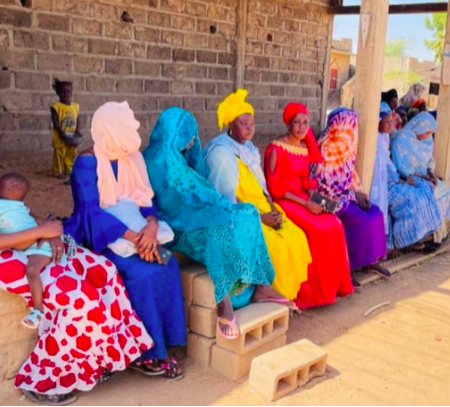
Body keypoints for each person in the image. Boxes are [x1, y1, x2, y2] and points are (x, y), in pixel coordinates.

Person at [0, 99, 151, 406]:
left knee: (102, 269)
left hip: (21, 238)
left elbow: (13, 210)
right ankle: (43, 380)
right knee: (76, 294)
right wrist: (38, 233)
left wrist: (48, 228)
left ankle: (97, 360)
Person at [64, 101, 186, 379]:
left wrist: (151, 229)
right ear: (110, 128)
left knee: (169, 265)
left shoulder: (132, 157)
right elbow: (90, 213)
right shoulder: (86, 163)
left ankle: (164, 341)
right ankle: (147, 354)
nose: (132, 130)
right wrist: (137, 239)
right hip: (97, 237)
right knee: (141, 275)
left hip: (137, 232)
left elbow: (145, 200)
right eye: (125, 125)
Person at [143, 107, 278, 339]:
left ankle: (261, 285)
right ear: (175, 132)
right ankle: (223, 301)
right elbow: (186, 200)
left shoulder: (180, 155)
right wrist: (218, 209)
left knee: (248, 212)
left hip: (201, 215)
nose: (193, 139)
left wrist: (219, 208)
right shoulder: (161, 160)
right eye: (188, 133)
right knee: (217, 229)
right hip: (177, 227)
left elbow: (205, 195)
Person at [203, 90, 312, 302]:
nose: (250, 127)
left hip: (262, 208)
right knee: (278, 248)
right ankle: (269, 294)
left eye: (252, 123)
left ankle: (290, 296)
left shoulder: (249, 149)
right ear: (231, 125)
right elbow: (227, 202)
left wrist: (271, 208)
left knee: (296, 237)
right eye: (244, 123)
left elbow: (262, 187)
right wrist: (261, 218)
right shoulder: (221, 154)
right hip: (243, 215)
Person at [264, 103, 353, 306]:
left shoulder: (304, 147)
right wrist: (306, 204)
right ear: (289, 124)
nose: (302, 127)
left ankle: (336, 287)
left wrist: (316, 198)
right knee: (318, 230)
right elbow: (275, 187)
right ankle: (313, 295)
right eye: (297, 122)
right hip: (286, 200)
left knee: (335, 223)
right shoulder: (276, 148)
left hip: (304, 198)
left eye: (305, 122)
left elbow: (306, 181)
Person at [311, 108, 390, 279]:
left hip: (345, 196)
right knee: (362, 220)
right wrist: (353, 196)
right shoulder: (327, 148)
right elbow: (326, 188)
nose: (352, 129)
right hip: (324, 200)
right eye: (348, 124)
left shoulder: (346, 147)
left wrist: (358, 192)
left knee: (375, 213)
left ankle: (372, 261)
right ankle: (346, 268)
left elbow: (349, 174)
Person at [0, 173, 59, 329]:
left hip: (38, 246)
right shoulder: (20, 205)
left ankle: (38, 310)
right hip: (37, 243)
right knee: (33, 271)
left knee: (31, 271)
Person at [371, 107, 442, 252]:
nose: (391, 125)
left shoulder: (383, 138)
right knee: (413, 198)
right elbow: (388, 173)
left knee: (424, 191)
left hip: (395, 180)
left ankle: (422, 234)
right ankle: (406, 239)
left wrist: (424, 174)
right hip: (385, 185)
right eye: (387, 121)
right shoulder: (377, 141)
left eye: (392, 121)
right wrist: (405, 181)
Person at [391, 112, 450, 244]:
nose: (428, 136)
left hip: (425, 175)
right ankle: (429, 235)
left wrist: (430, 171)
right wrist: (422, 176)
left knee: (449, 193)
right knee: (432, 195)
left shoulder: (427, 139)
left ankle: (441, 233)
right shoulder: (402, 140)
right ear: (419, 127)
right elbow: (400, 165)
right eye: (426, 132)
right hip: (410, 177)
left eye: (430, 133)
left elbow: (430, 160)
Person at [50, 79, 80, 182]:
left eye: (68, 91)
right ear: (58, 92)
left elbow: (77, 119)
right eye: (63, 91)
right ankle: (57, 171)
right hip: (60, 137)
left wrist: (77, 130)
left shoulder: (75, 106)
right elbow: (54, 120)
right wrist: (60, 131)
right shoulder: (56, 107)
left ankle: (68, 170)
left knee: (71, 154)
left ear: (71, 92)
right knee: (59, 154)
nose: (66, 94)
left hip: (71, 137)